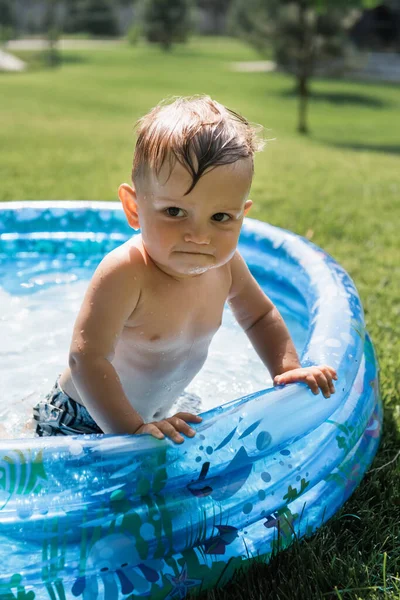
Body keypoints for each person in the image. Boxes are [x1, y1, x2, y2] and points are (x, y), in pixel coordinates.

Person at [33, 95, 337, 443]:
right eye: (175, 212)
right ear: (134, 208)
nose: (198, 236)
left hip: (156, 412)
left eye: (220, 217)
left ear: (242, 215)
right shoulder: (126, 272)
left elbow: (260, 317)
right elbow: (86, 359)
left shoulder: (227, 266)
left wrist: (288, 370)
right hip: (84, 415)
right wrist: (132, 431)